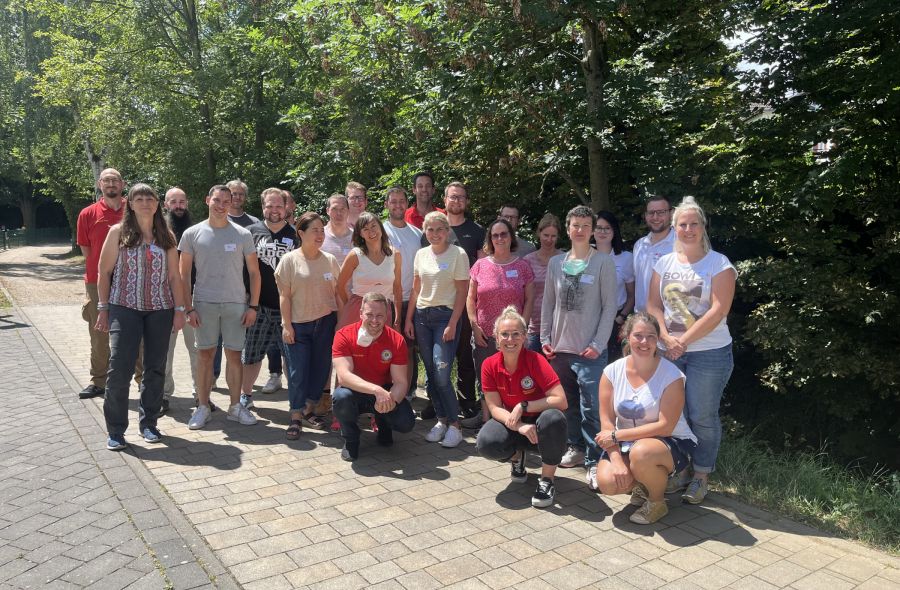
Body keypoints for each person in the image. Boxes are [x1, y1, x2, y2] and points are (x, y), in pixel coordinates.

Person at [647, 196, 736, 504]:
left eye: (693, 224)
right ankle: (681, 469)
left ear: (703, 226)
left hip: (709, 353)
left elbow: (719, 310)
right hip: (670, 352)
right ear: (674, 228)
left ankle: (701, 475)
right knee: (675, 415)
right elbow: (652, 305)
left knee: (702, 416)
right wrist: (665, 337)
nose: (688, 229)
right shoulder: (664, 263)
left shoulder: (719, 264)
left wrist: (682, 340)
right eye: (682, 224)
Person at [94, 184, 186, 450]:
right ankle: (116, 431)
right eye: (139, 198)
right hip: (124, 307)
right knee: (119, 369)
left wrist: (179, 310)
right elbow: (104, 272)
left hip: (160, 309)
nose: (145, 203)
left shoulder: (166, 235)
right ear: (130, 204)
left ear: (157, 204)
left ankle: (149, 424)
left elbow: (174, 277)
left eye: (150, 198)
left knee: (155, 368)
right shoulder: (118, 232)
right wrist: (103, 308)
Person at [593, 312, 698, 524]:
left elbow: (666, 427)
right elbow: (607, 423)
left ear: (658, 340)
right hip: (625, 442)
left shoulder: (672, 375)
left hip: (670, 441)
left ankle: (657, 502)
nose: (644, 342)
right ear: (627, 336)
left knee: (641, 453)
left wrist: (617, 435)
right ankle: (644, 483)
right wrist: (617, 461)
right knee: (608, 483)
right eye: (638, 335)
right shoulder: (611, 372)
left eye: (651, 336)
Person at [541, 205, 617, 488]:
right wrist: (546, 339)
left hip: (590, 351)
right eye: (576, 225)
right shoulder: (556, 263)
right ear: (568, 228)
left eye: (586, 225)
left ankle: (595, 462)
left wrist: (598, 344)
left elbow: (610, 306)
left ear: (593, 230)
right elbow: (548, 303)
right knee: (567, 404)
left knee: (593, 409)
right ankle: (575, 446)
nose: (581, 230)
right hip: (560, 349)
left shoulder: (603, 262)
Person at [179, 185, 261, 429]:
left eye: (227, 201)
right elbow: (184, 275)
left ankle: (235, 407)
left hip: (236, 304)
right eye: (217, 200)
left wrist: (253, 306)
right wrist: (188, 308)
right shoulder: (192, 233)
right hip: (204, 304)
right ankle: (203, 407)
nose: (221, 205)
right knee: (205, 356)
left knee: (234, 356)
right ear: (208, 200)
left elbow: (254, 273)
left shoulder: (242, 234)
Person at [475, 307, 568, 507]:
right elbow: (494, 408)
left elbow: (561, 400)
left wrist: (524, 405)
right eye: (504, 334)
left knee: (554, 418)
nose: (510, 339)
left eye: (516, 334)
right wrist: (520, 427)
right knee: (486, 443)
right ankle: (517, 456)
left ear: (524, 336)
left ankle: (547, 480)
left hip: (540, 423)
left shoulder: (536, 360)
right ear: (496, 338)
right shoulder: (489, 365)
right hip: (515, 423)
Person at [274, 212, 341, 439]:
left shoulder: (330, 260)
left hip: (325, 323)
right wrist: (286, 325)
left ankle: (308, 410)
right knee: (298, 373)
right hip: (298, 325)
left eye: (322, 230)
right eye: (315, 230)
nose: (320, 234)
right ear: (301, 233)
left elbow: (338, 294)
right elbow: (284, 296)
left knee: (321, 370)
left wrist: (341, 323)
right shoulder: (289, 260)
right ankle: (295, 416)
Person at [405, 211, 469, 448]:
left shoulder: (458, 254)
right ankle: (442, 420)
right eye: (430, 229)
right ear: (425, 231)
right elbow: (416, 289)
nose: (434, 234)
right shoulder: (421, 254)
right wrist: (408, 319)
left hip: (445, 318)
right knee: (431, 373)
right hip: (422, 317)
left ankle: (455, 425)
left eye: (439, 229)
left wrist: (453, 323)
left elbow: (462, 292)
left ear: (447, 231)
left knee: (442, 374)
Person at [76, 168, 142, 399]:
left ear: (122, 184)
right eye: (107, 180)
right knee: (99, 333)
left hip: (132, 281)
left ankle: (143, 382)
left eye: (115, 180)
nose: (111, 184)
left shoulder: (134, 210)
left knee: (136, 334)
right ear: (100, 184)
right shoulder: (87, 214)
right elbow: (86, 251)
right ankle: (98, 382)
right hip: (97, 281)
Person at [466, 219, 534, 427]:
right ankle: (488, 423)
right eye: (495, 235)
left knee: (512, 377)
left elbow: (530, 299)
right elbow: (470, 298)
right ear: (490, 239)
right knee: (485, 379)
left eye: (504, 234)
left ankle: (513, 421)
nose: (499, 238)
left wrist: (522, 329)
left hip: (513, 336)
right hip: (485, 334)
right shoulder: (480, 266)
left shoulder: (522, 266)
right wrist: (474, 326)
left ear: (511, 237)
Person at [332, 293, 416, 461]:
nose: (374, 320)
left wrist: (390, 402)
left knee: (406, 422)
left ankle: (383, 423)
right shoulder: (343, 335)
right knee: (341, 398)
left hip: (384, 392)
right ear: (361, 313)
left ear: (387, 316)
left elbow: (401, 382)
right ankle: (351, 439)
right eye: (369, 314)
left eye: (380, 316)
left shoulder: (396, 340)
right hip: (354, 391)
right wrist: (376, 390)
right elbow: (344, 377)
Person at [239, 188, 297, 410]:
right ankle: (246, 395)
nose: (274, 210)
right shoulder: (249, 232)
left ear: (286, 207)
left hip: (289, 307)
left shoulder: (297, 234)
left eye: (279, 206)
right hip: (258, 305)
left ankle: (296, 401)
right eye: (269, 206)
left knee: (291, 357)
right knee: (251, 355)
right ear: (262, 207)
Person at [442, 181, 485, 422]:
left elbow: (482, 270)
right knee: (440, 358)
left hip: (467, 302)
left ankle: (467, 401)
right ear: (445, 200)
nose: (456, 200)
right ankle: (438, 401)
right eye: (452, 196)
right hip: (440, 303)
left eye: (461, 197)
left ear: (466, 201)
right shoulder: (435, 228)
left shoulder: (477, 231)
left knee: (466, 357)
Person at [382, 187, 423, 398]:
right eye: (393, 201)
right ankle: (383, 390)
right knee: (384, 348)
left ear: (407, 204)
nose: (398, 205)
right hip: (386, 300)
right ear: (386, 205)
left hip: (412, 299)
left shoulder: (418, 234)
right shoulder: (380, 231)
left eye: (401, 201)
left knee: (408, 349)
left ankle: (407, 392)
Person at [162, 187, 198, 414]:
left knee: (198, 350)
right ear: (165, 204)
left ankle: (201, 395)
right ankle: (164, 395)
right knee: (164, 352)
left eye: (182, 201)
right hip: (166, 301)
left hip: (194, 301)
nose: (178, 206)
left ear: (187, 203)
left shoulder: (196, 232)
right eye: (173, 201)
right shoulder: (159, 232)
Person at [336, 212, 403, 329]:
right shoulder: (355, 255)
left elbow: (397, 288)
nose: (371, 231)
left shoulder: (395, 254)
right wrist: (349, 305)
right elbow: (340, 285)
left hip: (383, 310)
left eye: (373, 226)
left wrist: (398, 318)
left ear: (380, 227)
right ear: (360, 234)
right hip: (358, 310)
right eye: (365, 229)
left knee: (381, 341)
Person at [593, 211, 635, 361]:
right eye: (598, 227)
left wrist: (621, 317)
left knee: (612, 364)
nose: (602, 232)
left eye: (607, 228)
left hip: (614, 320)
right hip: (588, 320)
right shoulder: (584, 255)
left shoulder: (626, 258)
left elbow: (631, 295)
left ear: (614, 231)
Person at [524, 214, 564, 354]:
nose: (549, 239)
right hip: (534, 326)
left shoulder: (565, 260)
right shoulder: (528, 261)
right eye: (546, 235)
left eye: (553, 236)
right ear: (539, 233)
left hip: (558, 328)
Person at [633, 196, 675, 312]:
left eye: (661, 212)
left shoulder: (680, 245)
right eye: (651, 213)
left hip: (670, 317)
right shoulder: (639, 245)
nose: (655, 217)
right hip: (642, 317)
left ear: (671, 213)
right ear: (646, 215)